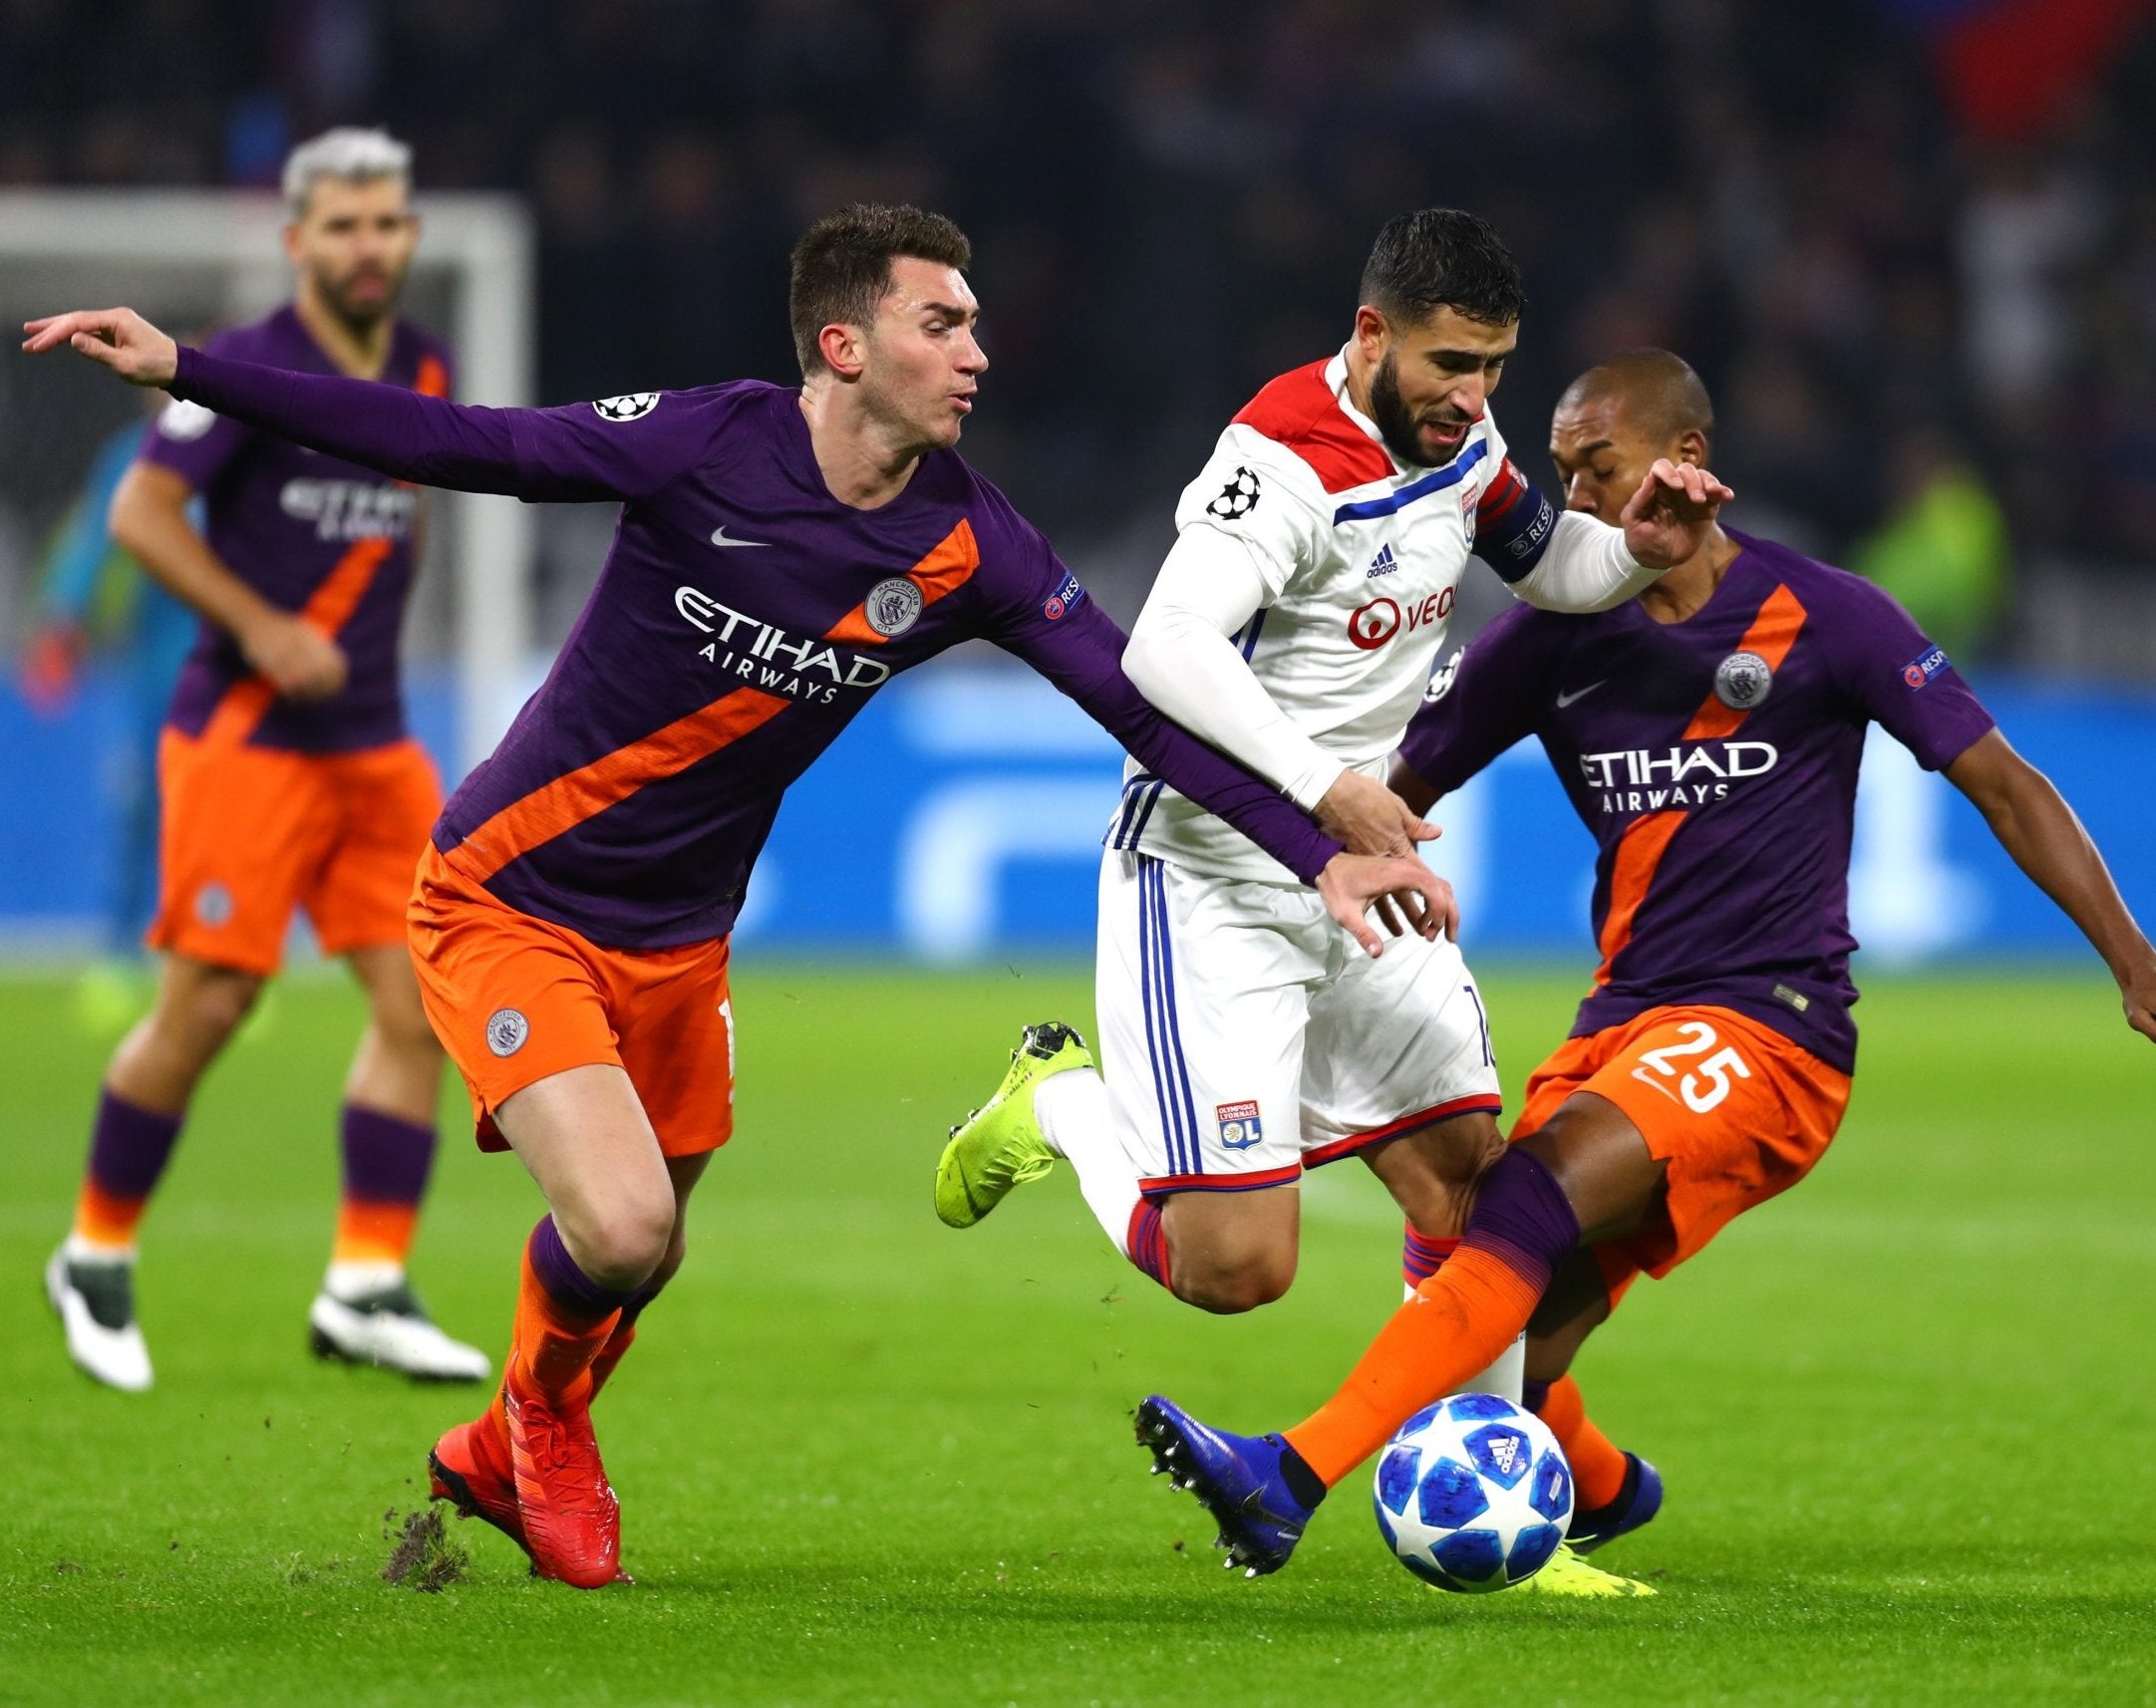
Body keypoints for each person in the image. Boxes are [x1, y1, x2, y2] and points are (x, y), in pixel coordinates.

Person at [26, 203, 1451, 1590]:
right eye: (941, 323)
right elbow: (465, 441)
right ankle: (541, 1427)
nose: (977, 353)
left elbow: (1142, 711)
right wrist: (192, 368)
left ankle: (494, 1437)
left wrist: (1317, 843)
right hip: (511, 894)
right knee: (627, 1225)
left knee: (645, 1249)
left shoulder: (972, 543)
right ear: (843, 346)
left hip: (679, 940)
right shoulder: (708, 442)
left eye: (976, 327)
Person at [1129, 348, 2156, 1580]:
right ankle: (1610, 1492)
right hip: (1624, 1022)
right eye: (1558, 475)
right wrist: (1293, 867)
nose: (1572, 504)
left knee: (1513, 1209)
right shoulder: (1550, 642)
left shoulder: (1827, 613)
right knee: (1507, 1336)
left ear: (1684, 462)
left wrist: (2132, 962)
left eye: (1594, 468)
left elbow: (2003, 782)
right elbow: (1386, 793)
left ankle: (1283, 1477)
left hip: (1772, 1030)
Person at [932, 213, 1727, 1354]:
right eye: (1449, 364)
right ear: (1370, 334)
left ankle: (1492, 1519)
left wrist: (1636, 552)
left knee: (1473, 1191)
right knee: (1235, 1268)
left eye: (1493, 365)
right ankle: (1055, 1099)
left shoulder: (1461, 438)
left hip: (1358, 867)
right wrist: (1321, 787)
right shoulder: (1281, 459)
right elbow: (1163, 647)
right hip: (1212, 871)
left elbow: (1548, 563)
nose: (1471, 393)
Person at [38, 128, 487, 1393]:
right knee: (211, 1006)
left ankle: (365, 1281)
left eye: (385, 223)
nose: (366, 245)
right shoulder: (234, 366)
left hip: (376, 743)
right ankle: (97, 1253)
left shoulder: (426, 361)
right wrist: (258, 622)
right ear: (298, 241)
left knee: (420, 1008)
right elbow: (138, 512)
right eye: (340, 226)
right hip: (245, 739)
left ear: (408, 234)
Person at [18, 402, 199, 1032]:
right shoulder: (133, 454)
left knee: (218, 814)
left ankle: (215, 958)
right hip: (153, 666)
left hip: (231, 665)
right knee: (139, 806)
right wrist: (62, 625)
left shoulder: (245, 451)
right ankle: (122, 955)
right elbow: (96, 539)